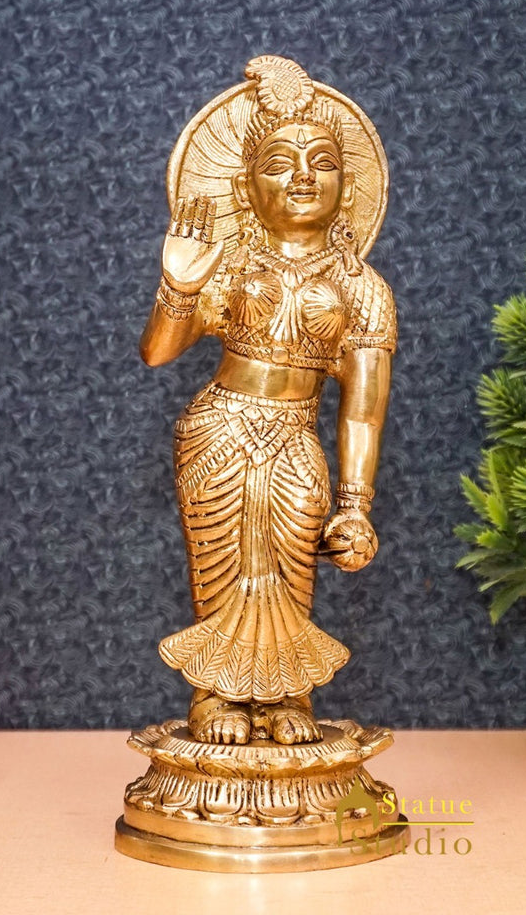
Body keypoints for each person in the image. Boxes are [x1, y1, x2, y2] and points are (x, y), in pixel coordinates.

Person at [140, 55, 396, 746]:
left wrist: (356, 506)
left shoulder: (364, 289)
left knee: (289, 562)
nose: (304, 177)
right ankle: (216, 696)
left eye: (323, 163)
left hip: (295, 435)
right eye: (280, 164)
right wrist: (179, 286)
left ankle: (289, 697)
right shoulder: (229, 265)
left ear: (348, 184)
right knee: (221, 561)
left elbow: (363, 411)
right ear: (246, 186)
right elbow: (158, 353)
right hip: (218, 427)